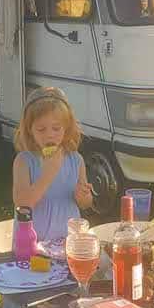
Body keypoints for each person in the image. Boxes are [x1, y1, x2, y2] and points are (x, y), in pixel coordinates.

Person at [12, 87, 93, 241]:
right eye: (41, 129)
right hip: (32, 245)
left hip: (67, 243)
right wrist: (49, 173)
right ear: (30, 131)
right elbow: (23, 204)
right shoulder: (24, 161)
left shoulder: (76, 160)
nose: (49, 134)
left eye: (56, 128)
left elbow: (85, 204)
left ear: (66, 128)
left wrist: (83, 195)